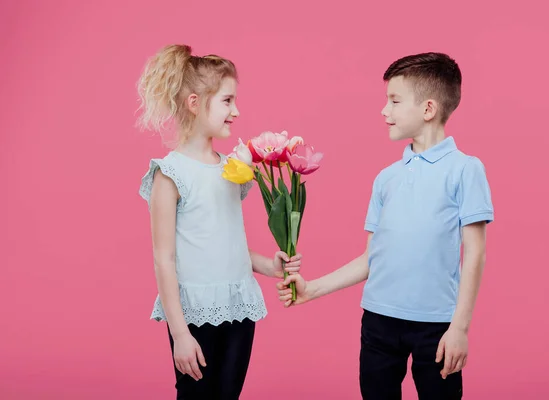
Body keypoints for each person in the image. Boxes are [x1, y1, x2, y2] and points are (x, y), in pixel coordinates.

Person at [277, 52, 493, 400]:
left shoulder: (465, 170)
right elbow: (370, 259)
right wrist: (311, 289)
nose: (384, 110)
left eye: (394, 101)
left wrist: (459, 328)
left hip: (436, 327)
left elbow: (476, 254)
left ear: (428, 109)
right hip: (378, 321)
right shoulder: (385, 179)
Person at [136, 44, 302, 399]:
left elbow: (225, 239)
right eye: (227, 101)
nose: (236, 111)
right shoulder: (171, 173)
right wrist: (180, 334)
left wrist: (265, 264)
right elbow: (163, 259)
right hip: (194, 315)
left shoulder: (232, 169)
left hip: (238, 306)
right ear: (195, 103)